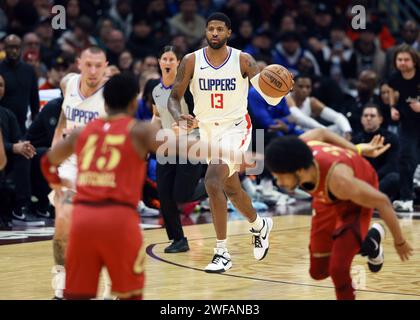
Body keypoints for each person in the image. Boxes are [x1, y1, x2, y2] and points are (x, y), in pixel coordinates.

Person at [41, 73, 257, 299]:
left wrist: (58, 183)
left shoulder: (80, 132)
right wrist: (231, 153)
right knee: (129, 294)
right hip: (119, 222)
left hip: (84, 220)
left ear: (104, 102)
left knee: (77, 295)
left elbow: (47, 163)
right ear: (134, 101)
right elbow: (186, 148)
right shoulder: (140, 131)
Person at [168, 12, 274, 273]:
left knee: (212, 180)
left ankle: (221, 252)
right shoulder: (191, 61)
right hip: (206, 132)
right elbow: (174, 97)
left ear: (228, 32)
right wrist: (178, 114)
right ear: (206, 32)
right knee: (231, 189)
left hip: (236, 128)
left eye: (219, 29)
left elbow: (269, 97)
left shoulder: (243, 60)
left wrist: (280, 89)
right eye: (210, 29)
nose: (214, 33)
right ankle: (259, 225)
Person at [265, 128, 413, 300]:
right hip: (326, 196)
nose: (278, 182)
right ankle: (370, 241)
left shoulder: (341, 181)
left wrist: (400, 241)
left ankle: (358, 240)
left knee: (338, 270)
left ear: (298, 171)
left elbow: (382, 201)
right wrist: (357, 149)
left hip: (356, 196)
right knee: (318, 271)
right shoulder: (296, 149)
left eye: (279, 176)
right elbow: (321, 133)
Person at [50, 46, 108, 299]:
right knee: (62, 228)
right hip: (70, 164)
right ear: (79, 64)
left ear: (106, 66)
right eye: (88, 65)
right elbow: (63, 119)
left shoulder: (113, 97)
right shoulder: (68, 83)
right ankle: (62, 283)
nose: (93, 71)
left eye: (98, 65)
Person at [152, 46, 204, 253]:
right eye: (164, 58)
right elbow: (157, 117)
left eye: (171, 59)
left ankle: (214, 185)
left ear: (178, 63)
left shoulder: (188, 88)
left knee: (182, 195)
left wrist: (186, 127)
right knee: (164, 196)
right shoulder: (155, 90)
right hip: (166, 147)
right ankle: (178, 240)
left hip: (190, 145)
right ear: (159, 62)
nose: (167, 62)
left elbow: (201, 118)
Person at [388, 44, 420, 213]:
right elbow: (391, 91)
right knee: (406, 159)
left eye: (406, 60)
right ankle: (407, 198)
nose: (402, 63)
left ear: (414, 61)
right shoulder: (394, 78)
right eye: (399, 60)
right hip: (407, 125)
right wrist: (393, 108)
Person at [352, 104, 400, 201]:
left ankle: (368, 198)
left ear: (380, 119)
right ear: (361, 119)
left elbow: (392, 165)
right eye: (365, 116)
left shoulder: (391, 138)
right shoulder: (355, 139)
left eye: (372, 116)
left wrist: (373, 178)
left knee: (395, 178)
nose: (368, 118)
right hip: (361, 180)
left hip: (380, 180)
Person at [288, 74, 352, 139]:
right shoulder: (287, 98)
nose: (304, 90)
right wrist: (324, 130)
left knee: (340, 128)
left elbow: (337, 117)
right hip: (290, 134)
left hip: (308, 134)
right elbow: (300, 118)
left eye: (308, 87)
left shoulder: (311, 102)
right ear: (293, 86)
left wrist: (347, 131)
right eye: (300, 86)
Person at [0, 34, 40, 134]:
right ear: (4, 48)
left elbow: (34, 99)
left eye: (17, 47)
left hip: (22, 125)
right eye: (10, 47)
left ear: (21, 48)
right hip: (2, 123)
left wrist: (36, 123)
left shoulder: (29, 70)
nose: (14, 51)